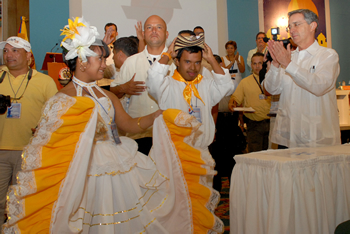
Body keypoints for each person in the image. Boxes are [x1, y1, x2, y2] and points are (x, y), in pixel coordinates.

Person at [2, 17, 170, 234]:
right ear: (81, 62)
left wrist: (157, 115)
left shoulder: (108, 95)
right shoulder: (62, 98)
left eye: (103, 59)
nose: (104, 64)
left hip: (116, 165)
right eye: (99, 59)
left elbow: (128, 124)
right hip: (80, 171)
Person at [146, 32, 233, 233]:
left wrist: (212, 59)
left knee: (200, 206)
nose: (193, 68)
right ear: (176, 61)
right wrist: (166, 54)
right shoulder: (166, 84)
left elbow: (227, 87)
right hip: (173, 157)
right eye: (187, 62)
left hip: (201, 155)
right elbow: (152, 80)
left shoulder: (205, 83)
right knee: (175, 208)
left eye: (197, 62)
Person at [0, 36, 57, 225]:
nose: (9, 55)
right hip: (1, 151)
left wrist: (43, 127)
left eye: (15, 50)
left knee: (23, 203)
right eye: (6, 50)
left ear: (29, 57)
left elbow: (55, 116)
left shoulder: (45, 81)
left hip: (30, 152)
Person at [263, 9, 341, 148]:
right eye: (290, 27)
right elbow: (271, 89)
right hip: (287, 137)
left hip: (316, 137)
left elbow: (319, 86)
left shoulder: (327, 55)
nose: (292, 30)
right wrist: (275, 64)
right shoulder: (288, 56)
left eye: (297, 24)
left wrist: (288, 64)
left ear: (312, 26)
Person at [110, 15, 176, 155]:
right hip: (137, 136)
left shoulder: (177, 63)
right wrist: (123, 88)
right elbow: (112, 93)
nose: (154, 31)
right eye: (149, 27)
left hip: (170, 135)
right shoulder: (131, 62)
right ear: (144, 34)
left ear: (167, 33)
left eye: (159, 27)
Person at [229, 52, 271, 152]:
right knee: (255, 155)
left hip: (272, 123)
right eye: (254, 63)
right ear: (251, 65)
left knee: (271, 155)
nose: (257, 66)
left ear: (265, 63)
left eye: (260, 63)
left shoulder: (272, 80)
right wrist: (232, 102)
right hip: (254, 124)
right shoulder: (245, 82)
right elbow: (236, 98)